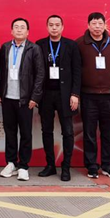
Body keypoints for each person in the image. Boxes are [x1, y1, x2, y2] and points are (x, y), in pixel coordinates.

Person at [76, 12, 110, 179]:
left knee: (108, 133)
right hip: (88, 96)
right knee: (89, 133)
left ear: (105, 25)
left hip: (109, 96)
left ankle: (108, 165)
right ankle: (91, 166)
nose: (97, 27)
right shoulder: (80, 43)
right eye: (94, 23)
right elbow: (75, 70)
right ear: (88, 25)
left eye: (100, 23)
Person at [0, 18, 44, 182]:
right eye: (16, 27)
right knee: (10, 132)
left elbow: (40, 75)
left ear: (28, 32)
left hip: (25, 99)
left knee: (25, 133)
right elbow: (1, 72)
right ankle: (11, 163)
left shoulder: (34, 49)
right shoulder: (5, 47)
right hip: (8, 98)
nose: (19, 30)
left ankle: (23, 166)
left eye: (22, 27)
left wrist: (35, 97)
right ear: (11, 31)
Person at [35, 15, 82, 182]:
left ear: (62, 27)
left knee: (67, 131)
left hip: (66, 94)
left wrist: (75, 94)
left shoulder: (71, 45)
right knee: (46, 130)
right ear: (47, 27)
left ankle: (66, 166)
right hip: (46, 94)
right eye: (51, 25)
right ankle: (50, 165)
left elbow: (77, 71)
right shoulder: (40, 44)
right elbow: (36, 71)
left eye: (57, 25)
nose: (54, 28)